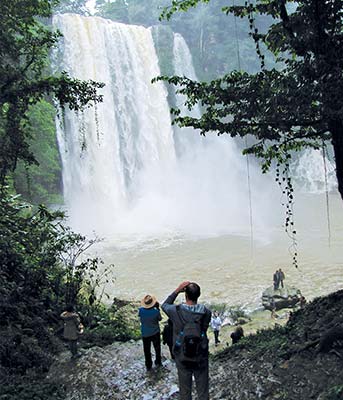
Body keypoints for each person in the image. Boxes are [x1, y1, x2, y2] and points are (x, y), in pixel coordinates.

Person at [162, 281, 211, 400]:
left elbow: (164, 305)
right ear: (199, 295)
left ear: (185, 295)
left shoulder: (175, 311)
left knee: (184, 391)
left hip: (182, 355)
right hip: (200, 354)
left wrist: (177, 290)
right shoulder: (206, 312)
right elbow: (204, 329)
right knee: (203, 390)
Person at [138, 294, 162, 371]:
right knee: (157, 348)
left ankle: (148, 365)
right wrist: (158, 308)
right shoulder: (156, 311)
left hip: (145, 333)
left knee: (146, 350)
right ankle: (158, 361)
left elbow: (140, 316)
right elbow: (160, 319)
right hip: (155, 332)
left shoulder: (141, 310)